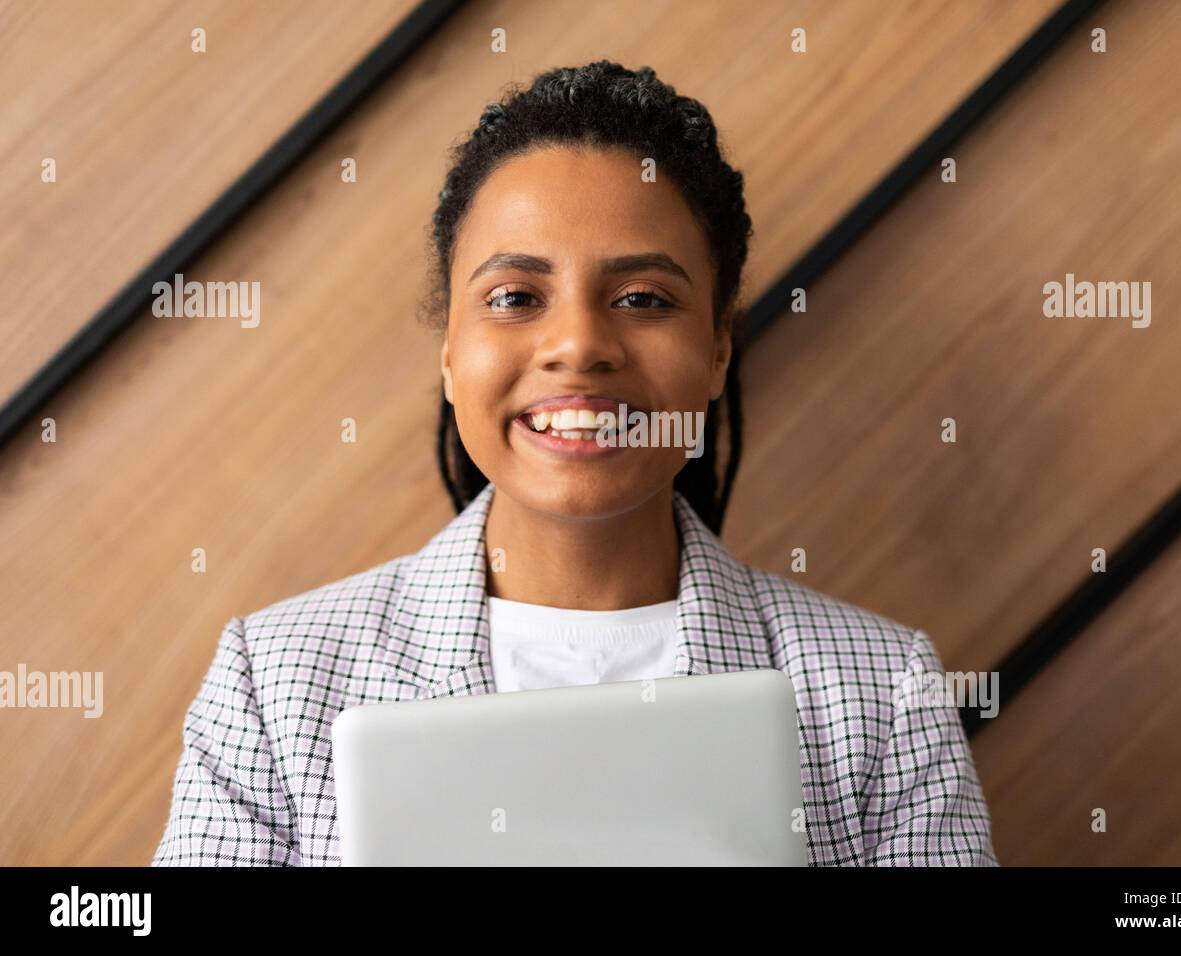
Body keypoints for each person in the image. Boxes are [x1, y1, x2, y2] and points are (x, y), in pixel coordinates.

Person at [153, 60, 997, 867]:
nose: (580, 345)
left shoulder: (884, 694)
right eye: (516, 297)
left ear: (714, 353)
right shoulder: (275, 684)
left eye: (642, 299)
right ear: (450, 354)